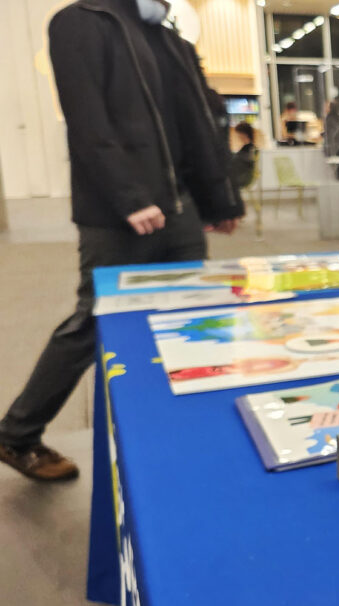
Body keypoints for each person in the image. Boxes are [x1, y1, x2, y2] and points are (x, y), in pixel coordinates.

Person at [0, 0, 243, 481]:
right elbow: (87, 120)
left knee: (187, 317)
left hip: (180, 211)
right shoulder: (80, 22)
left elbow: (195, 121)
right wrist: (129, 195)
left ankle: (179, 435)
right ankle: (17, 433)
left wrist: (220, 199)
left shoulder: (167, 34)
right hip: (118, 214)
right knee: (95, 322)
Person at [229, 121, 258, 191]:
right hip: (245, 176)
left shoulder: (248, 149)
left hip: (243, 177)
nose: (238, 137)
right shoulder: (251, 148)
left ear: (244, 134)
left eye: (239, 135)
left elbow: (240, 161)